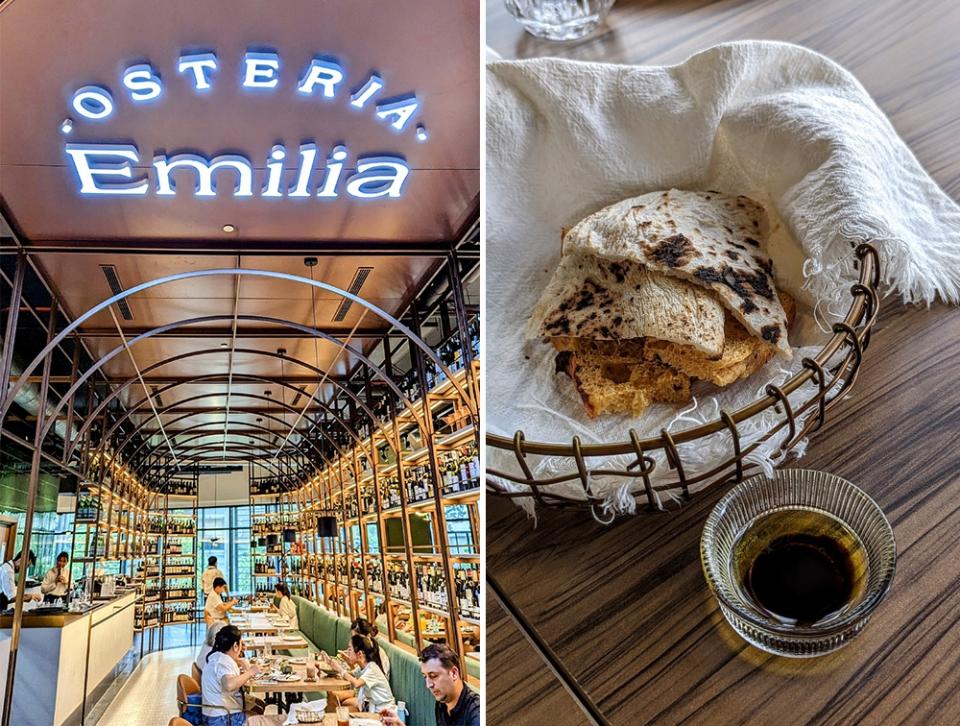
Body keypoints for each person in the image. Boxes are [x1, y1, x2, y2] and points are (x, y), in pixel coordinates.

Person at [380, 644, 479, 726]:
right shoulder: (442, 703)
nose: (428, 685)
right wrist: (399, 724)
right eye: (425, 677)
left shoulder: (476, 713)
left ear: (454, 673)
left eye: (433, 676)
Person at [200, 624, 260, 726]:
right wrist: (250, 672)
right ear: (235, 646)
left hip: (215, 714)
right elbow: (229, 684)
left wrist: (238, 659)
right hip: (222, 718)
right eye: (241, 644)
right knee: (259, 720)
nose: (242, 648)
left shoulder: (217, 656)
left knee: (258, 707)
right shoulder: (222, 662)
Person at [323, 634, 395, 713]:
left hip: (384, 712)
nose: (347, 651)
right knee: (335, 703)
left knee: (340, 713)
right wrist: (330, 662)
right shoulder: (362, 667)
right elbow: (348, 674)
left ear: (360, 653)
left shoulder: (372, 669)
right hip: (370, 707)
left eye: (350, 649)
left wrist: (340, 669)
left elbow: (356, 683)